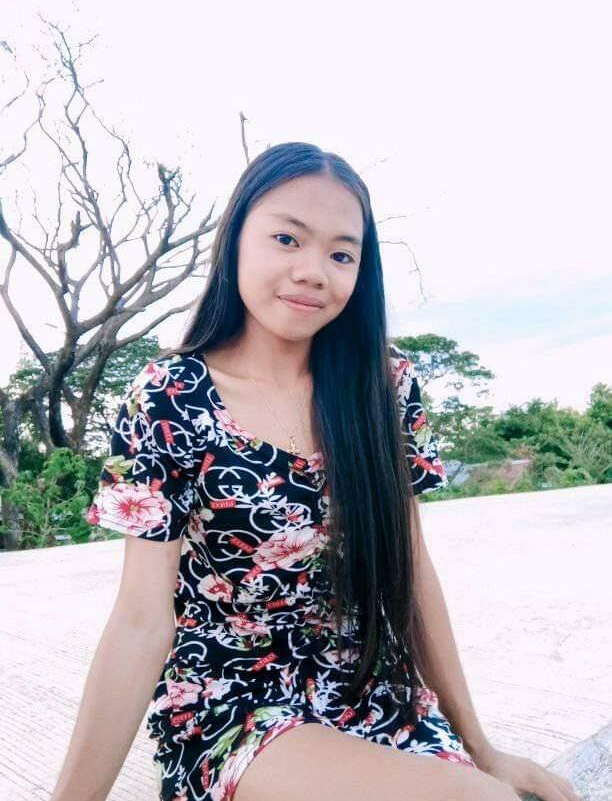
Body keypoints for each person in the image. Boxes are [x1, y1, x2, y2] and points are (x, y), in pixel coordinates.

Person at [50, 142, 580, 801]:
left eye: (340, 254)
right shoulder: (170, 396)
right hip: (233, 704)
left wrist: (482, 748)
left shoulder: (382, 386)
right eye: (286, 239)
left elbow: (411, 571)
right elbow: (140, 620)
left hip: (371, 690)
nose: (312, 272)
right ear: (236, 240)